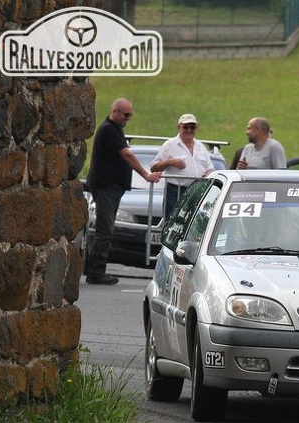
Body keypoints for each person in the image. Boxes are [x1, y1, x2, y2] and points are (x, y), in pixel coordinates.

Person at [85, 98, 161, 285]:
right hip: (106, 187)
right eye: (126, 114)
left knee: (106, 229)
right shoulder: (109, 129)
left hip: (110, 187)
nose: (128, 118)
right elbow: (127, 154)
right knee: (105, 229)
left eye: (130, 115)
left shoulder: (113, 129)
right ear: (115, 111)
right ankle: (96, 271)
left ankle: (96, 270)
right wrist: (145, 174)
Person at [150, 113, 215, 217]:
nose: (189, 130)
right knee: (174, 220)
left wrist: (208, 174)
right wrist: (169, 162)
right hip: (175, 192)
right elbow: (154, 167)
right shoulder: (169, 145)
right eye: (186, 127)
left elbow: (210, 168)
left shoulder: (200, 146)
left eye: (192, 127)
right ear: (179, 127)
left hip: (197, 191)